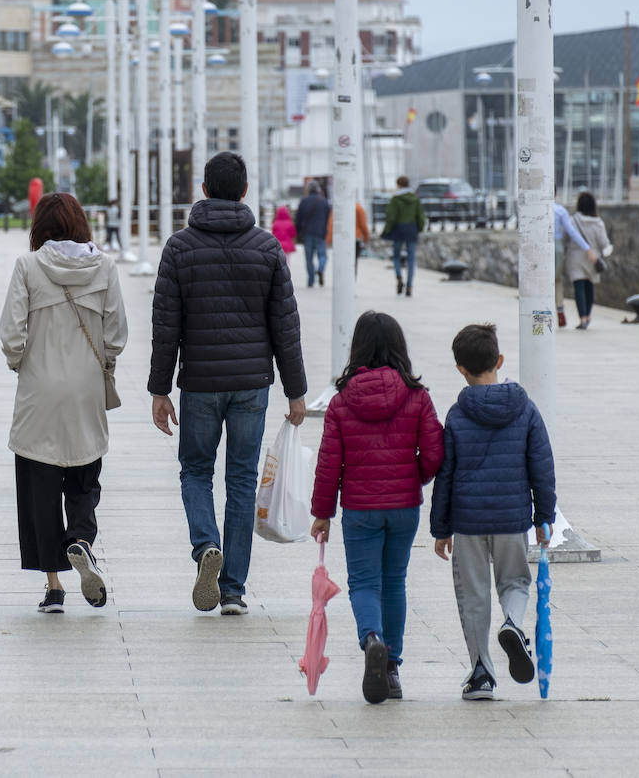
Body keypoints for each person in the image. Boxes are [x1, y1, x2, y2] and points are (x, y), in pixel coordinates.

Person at [149, 152, 308, 616]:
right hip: (251, 383)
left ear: (203, 188)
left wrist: (160, 390)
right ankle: (234, 589)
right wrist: (296, 393)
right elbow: (286, 327)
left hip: (198, 381)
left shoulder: (179, 248)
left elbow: (165, 327)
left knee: (196, 471)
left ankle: (206, 548)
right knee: (241, 480)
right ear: (243, 192)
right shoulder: (266, 247)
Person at [0, 193, 128, 613]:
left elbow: (11, 332)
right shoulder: (104, 267)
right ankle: (81, 540)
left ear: (40, 226)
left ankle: (54, 586)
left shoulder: (28, 266)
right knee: (84, 476)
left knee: (39, 485)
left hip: (39, 390)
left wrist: (21, 362)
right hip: (86, 389)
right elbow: (116, 333)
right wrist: (102, 365)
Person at [309, 311, 444, 704]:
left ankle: (371, 638)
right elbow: (435, 453)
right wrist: (412, 475)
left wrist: (323, 512)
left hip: (360, 508)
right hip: (404, 507)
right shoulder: (417, 396)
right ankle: (392, 668)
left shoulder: (340, 402)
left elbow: (328, 461)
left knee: (365, 583)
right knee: (395, 582)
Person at [430, 323, 556, 701]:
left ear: (460, 369)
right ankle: (514, 625)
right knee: (515, 581)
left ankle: (481, 672)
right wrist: (543, 517)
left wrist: (440, 528)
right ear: (500, 361)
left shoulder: (456, 414)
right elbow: (542, 466)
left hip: (467, 521)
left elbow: (445, 472)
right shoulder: (526, 409)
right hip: (512, 518)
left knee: (474, 594)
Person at [563, 192, 611, 330]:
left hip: (575, 257)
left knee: (579, 287)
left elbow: (566, 239)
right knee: (589, 287)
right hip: (592, 257)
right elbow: (604, 243)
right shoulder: (598, 223)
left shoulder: (572, 221)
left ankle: (582, 318)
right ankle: (588, 316)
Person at [553, 201, 598, 327]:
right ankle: (560, 310)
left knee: (543, 282)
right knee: (557, 280)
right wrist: (587, 248)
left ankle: (540, 311)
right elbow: (571, 231)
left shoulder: (536, 207)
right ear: (555, 193)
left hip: (540, 245)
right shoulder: (560, 210)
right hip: (556, 247)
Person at [382, 176, 426, 297]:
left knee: (396, 256)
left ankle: (399, 278)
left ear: (398, 185)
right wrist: (419, 228)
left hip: (398, 230)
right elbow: (421, 216)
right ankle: (410, 286)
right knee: (411, 259)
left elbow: (391, 216)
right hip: (412, 229)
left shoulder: (395, 199)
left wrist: (387, 230)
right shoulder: (415, 199)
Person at [295, 181, 331, 287]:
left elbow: (298, 218)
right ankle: (320, 268)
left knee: (309, 258)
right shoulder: (324, 202)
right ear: (318, 190)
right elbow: (329, 218)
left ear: (309, 189)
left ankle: (311, 281)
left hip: (307, 233)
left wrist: (298, 232)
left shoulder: (303, 201)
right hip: (321, 233)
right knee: (322, 255)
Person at [326, 200, 372, 276]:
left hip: (341, 240)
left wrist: (328, 239)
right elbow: (363, 225)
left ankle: (343, 277)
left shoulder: (339, 208)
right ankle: (352, 279)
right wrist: (366, 237)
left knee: (342, 262)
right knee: (353, 262)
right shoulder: (358, 208)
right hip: (356, 239)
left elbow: (332, 224)